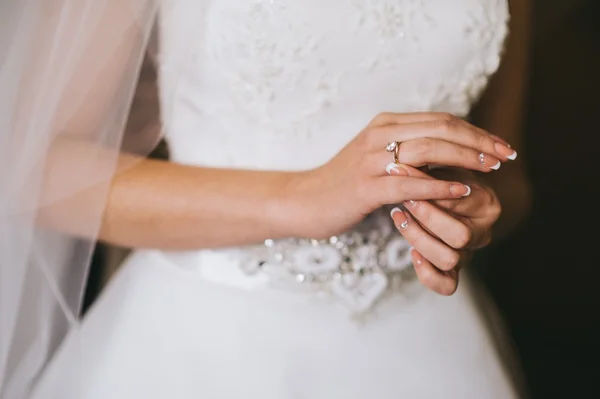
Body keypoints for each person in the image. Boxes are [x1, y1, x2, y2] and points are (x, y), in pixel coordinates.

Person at [27, 0, 532, 397]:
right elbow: (42, 170)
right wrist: (301, 197)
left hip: (427, 339)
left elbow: (509, 179)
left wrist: (467, 212)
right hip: (205, 338)